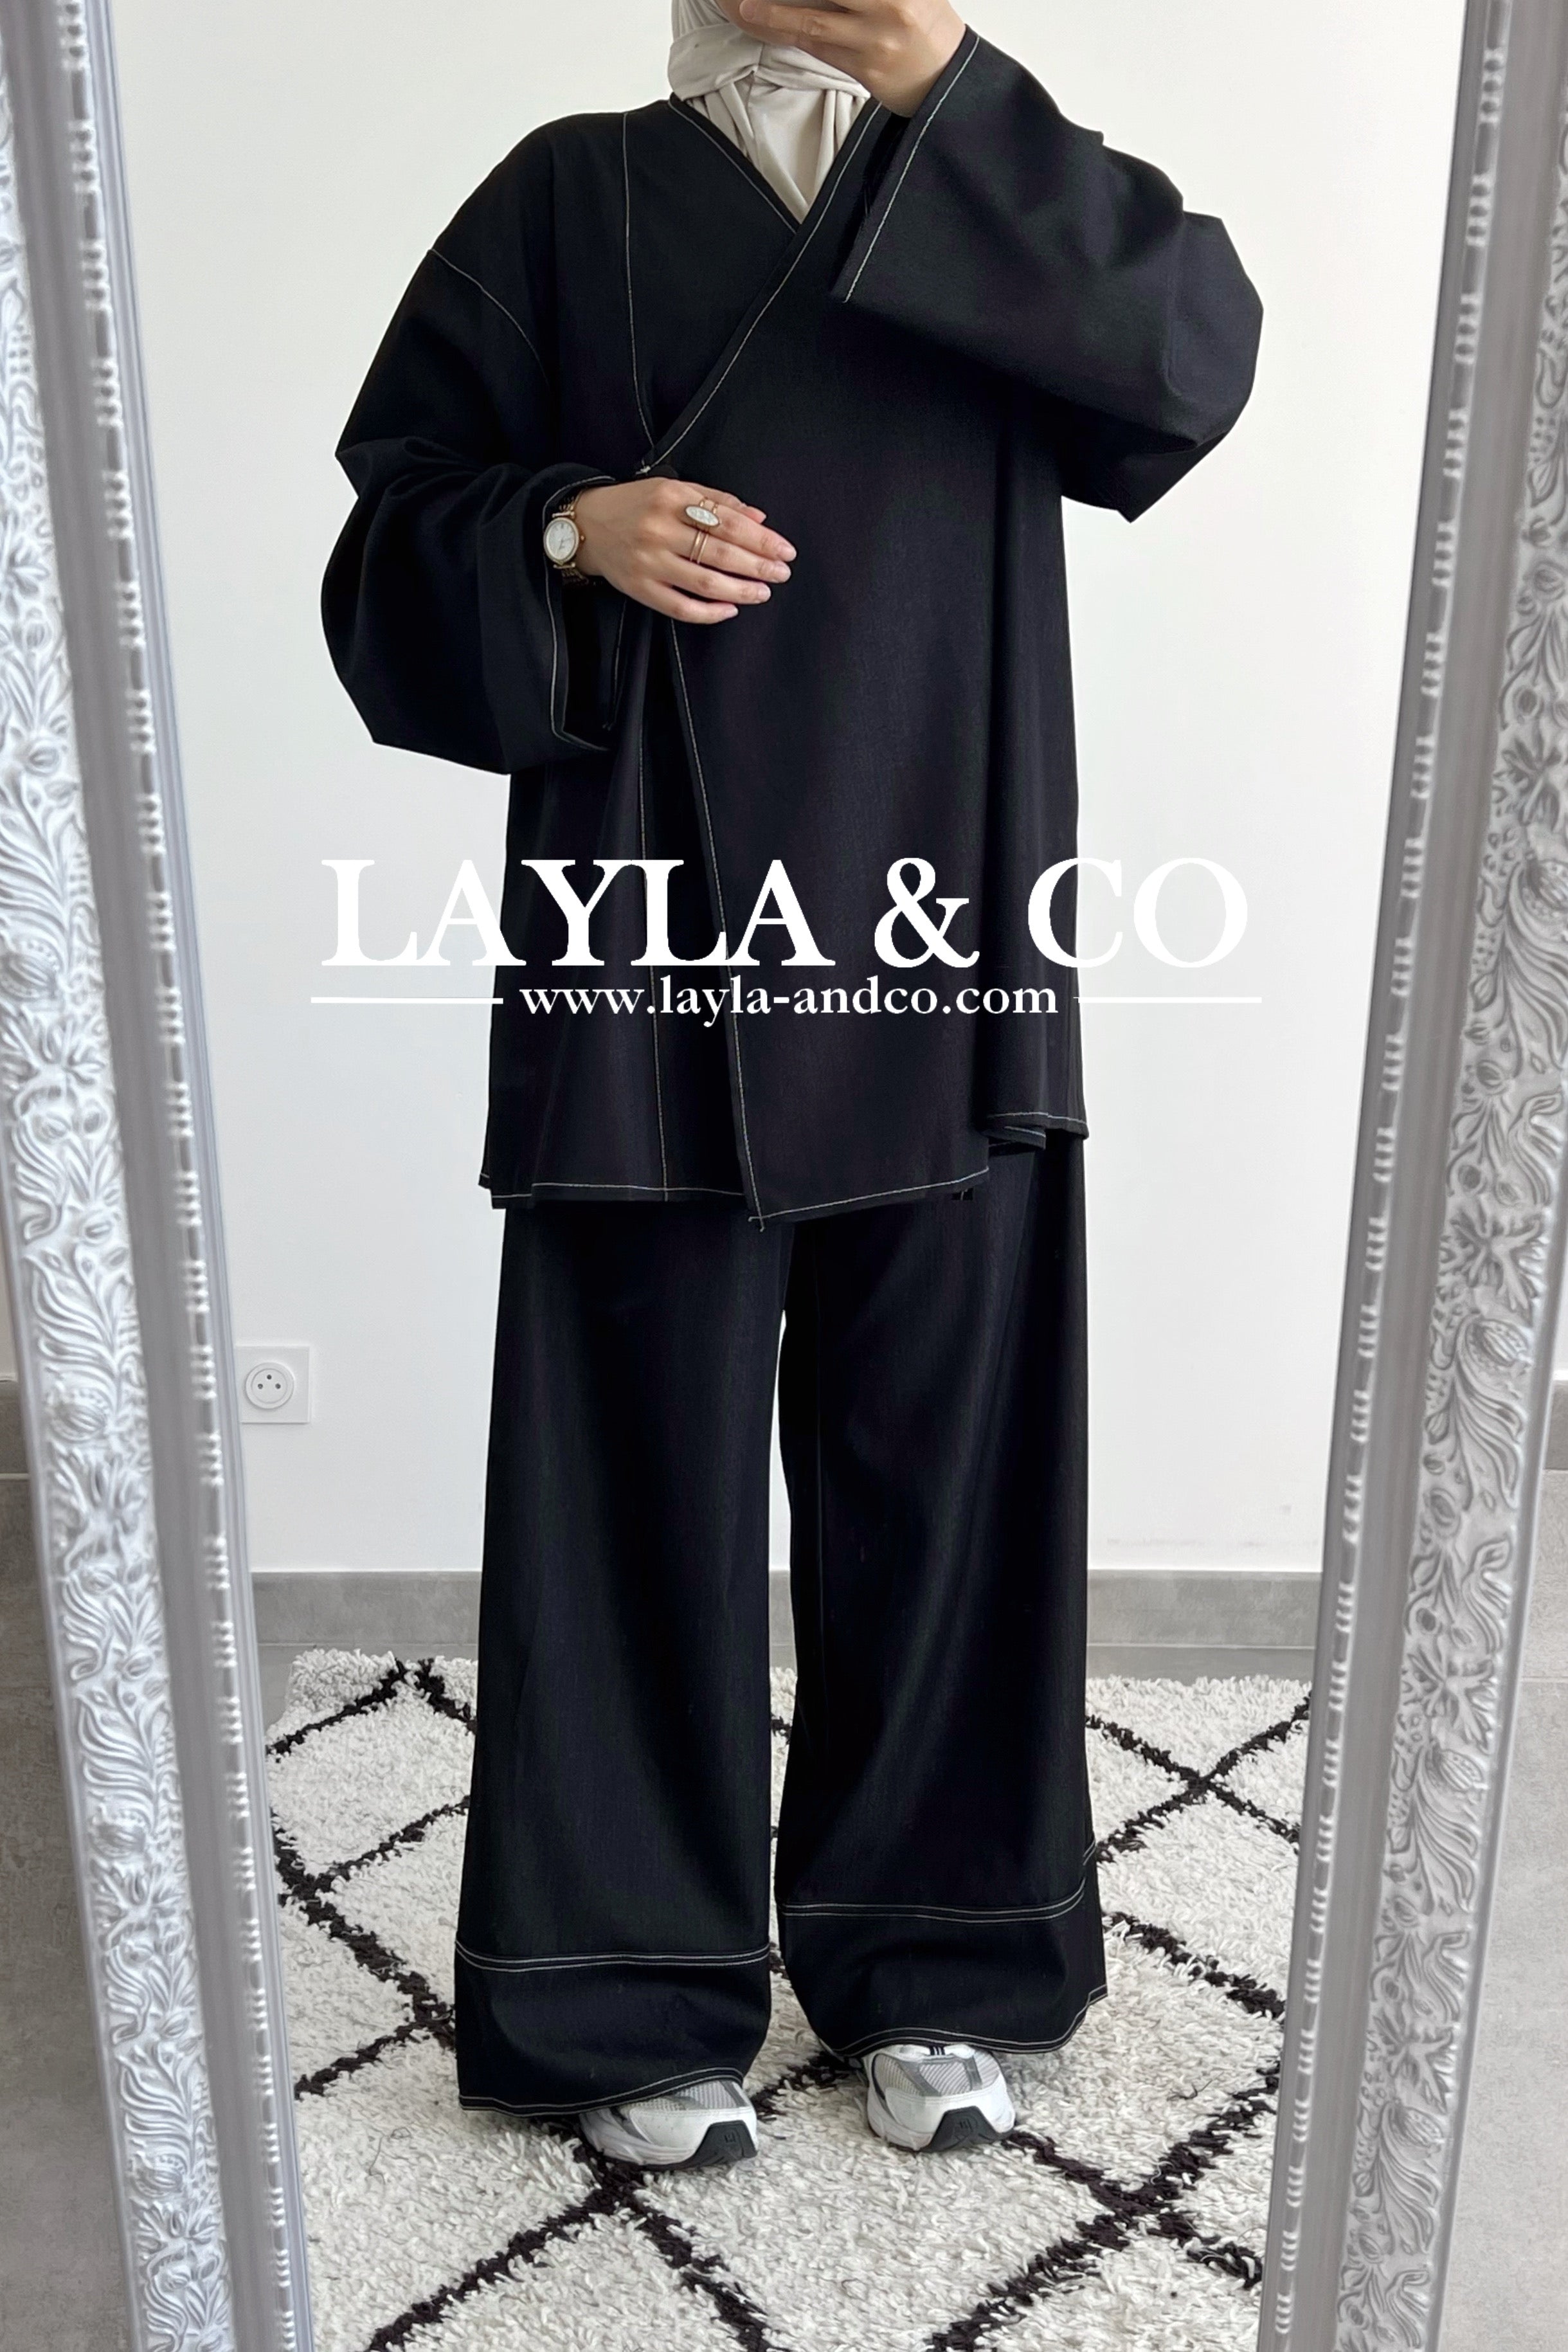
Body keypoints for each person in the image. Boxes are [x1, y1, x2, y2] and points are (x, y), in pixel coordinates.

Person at [322, 0, 1261, 2169]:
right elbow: (386, 546)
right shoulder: (570, 192)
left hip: (952, 931)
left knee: (946, 1474)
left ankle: (938, 1964)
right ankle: (619, 1991)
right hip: (643, 940)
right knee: (627, 1483)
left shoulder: (995, 192)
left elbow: (1195, 358)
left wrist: (943, 85)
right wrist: (570, 530)